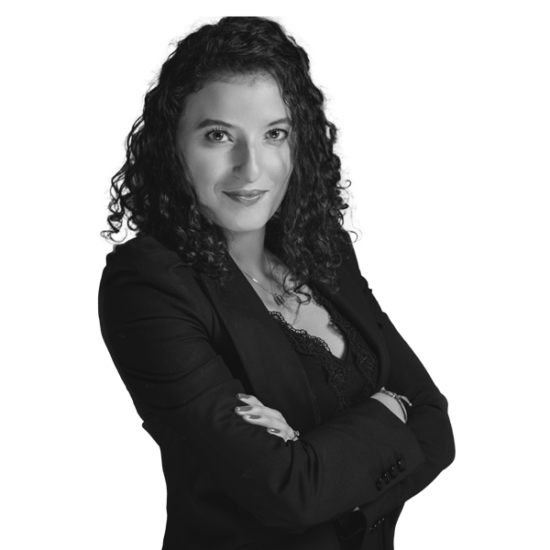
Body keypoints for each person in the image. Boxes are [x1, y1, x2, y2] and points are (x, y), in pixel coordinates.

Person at [98, 16, 455, 550]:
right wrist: (388, 412)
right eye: (218, 135)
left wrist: (314, 460)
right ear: (172, 145)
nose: (251, 168)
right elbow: (286, 491)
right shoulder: (147, 284)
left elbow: (435, 427)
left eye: (275, 134)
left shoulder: (323, 250)